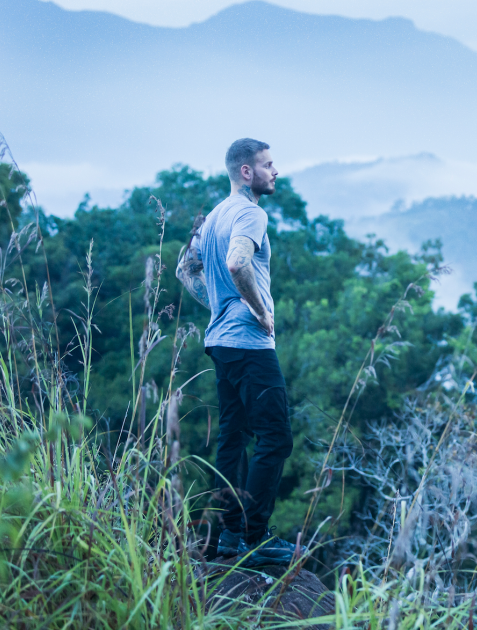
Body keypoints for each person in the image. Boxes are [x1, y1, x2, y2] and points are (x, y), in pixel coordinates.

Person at [176, 137, 299, 565]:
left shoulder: (213, 216)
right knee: (276, 436)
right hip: (249, 342)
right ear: (246, 171)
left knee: (233, 435)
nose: (275, 171)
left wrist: (220, 304)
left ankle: (230, 535)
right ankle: (257, 537)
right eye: (268, 164)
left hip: (220, 342)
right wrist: (258, 310)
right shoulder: (251, 212)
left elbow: (185, 268)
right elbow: (236, 262)